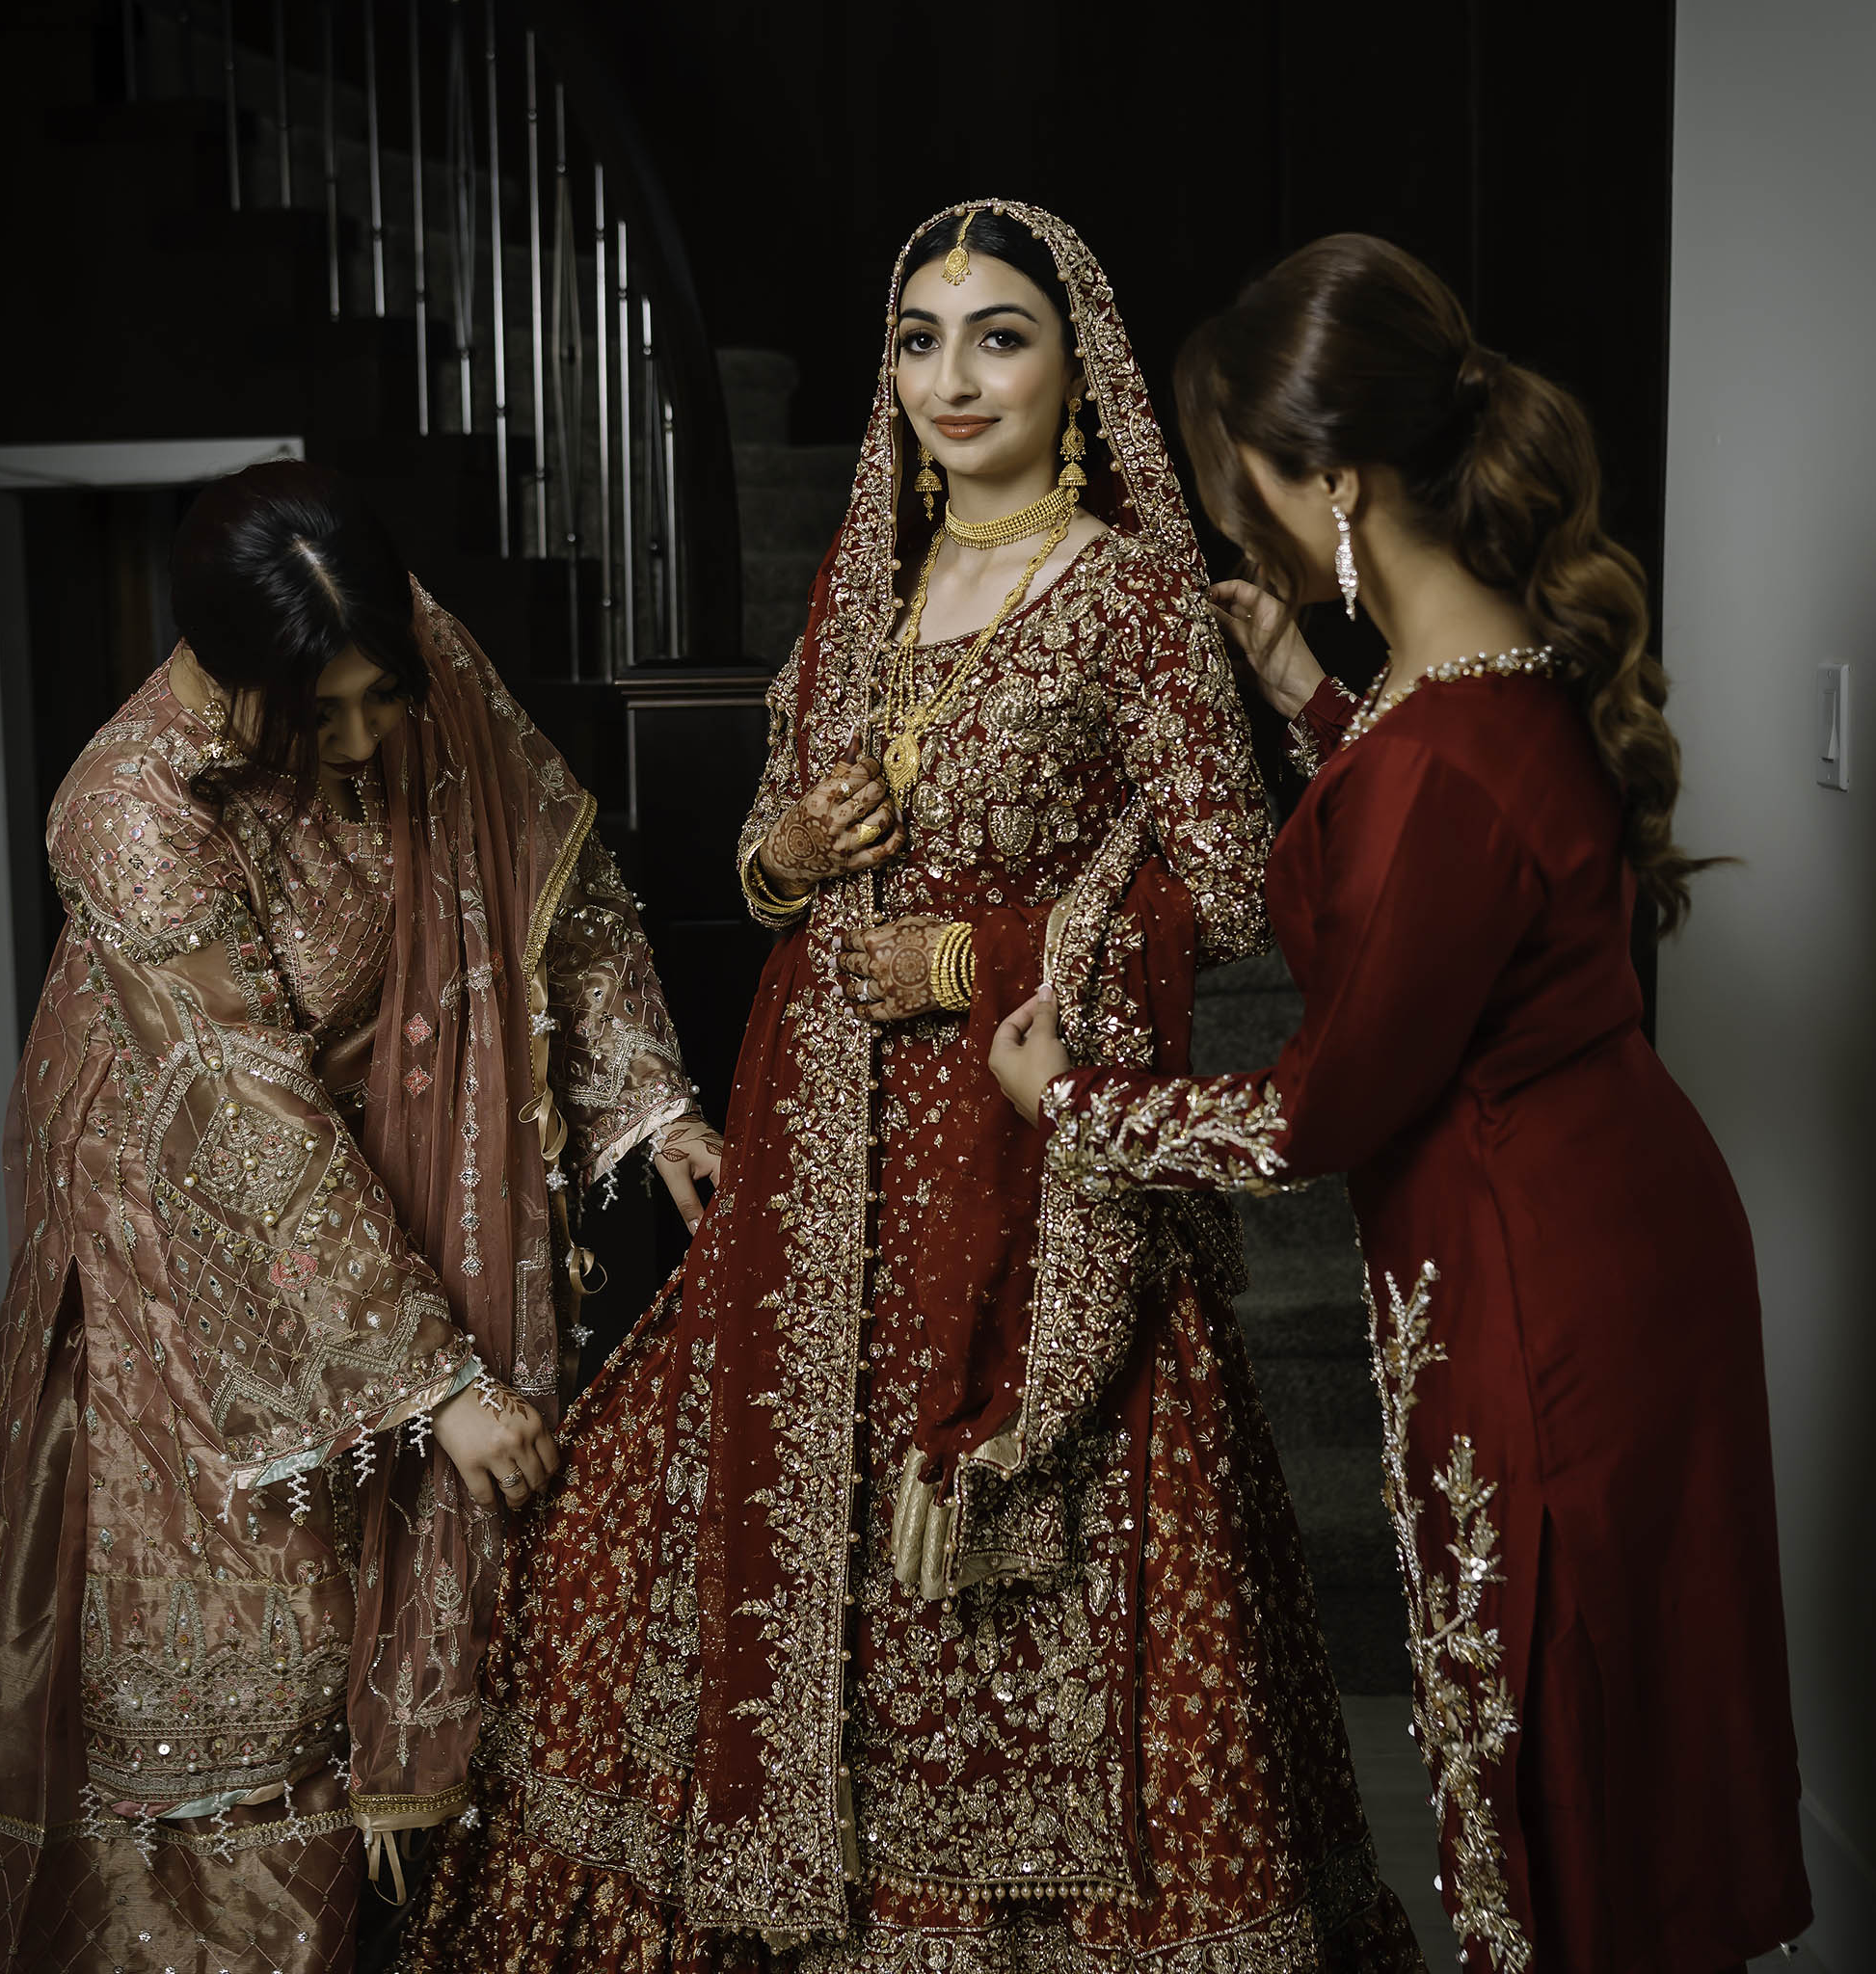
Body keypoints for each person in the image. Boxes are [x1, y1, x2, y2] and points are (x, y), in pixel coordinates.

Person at [403, 202, 1424, 1971]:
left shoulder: (1130, 597)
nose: (954, 377)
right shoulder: (867, 583)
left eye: (999, 336)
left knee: (1021, 1604)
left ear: (1077, 370)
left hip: (1024, 1174)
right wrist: (793, 850)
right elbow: (762, 857)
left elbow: (1230, 886)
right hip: (812, 1182)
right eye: (920, 339)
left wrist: (980, 959)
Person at [991, 232, 1813, 1974]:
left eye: (1249, 488)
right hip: (1612, 1222)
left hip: (1542, 1284)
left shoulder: (1441, 758)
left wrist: (1078, 1102)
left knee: (1539, 1723)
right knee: (1608, 1737)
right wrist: (1308, 690)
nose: (1240, 527)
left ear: (1337, 483)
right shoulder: (1499, 672)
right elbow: (1441, 852)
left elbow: (1319, 1110)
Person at [0, 462, 720, 1974]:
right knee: (257, 1635)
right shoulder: (130, 810)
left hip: (398, 1150)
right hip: (188, 1224)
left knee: (446, 1576)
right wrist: (435, 1382)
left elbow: (548, 869)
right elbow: (246, 1112)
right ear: (233, 674)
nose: (373, 740)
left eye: (385, 700)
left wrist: (654, 1109)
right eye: (326, 718)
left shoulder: (396, 642)